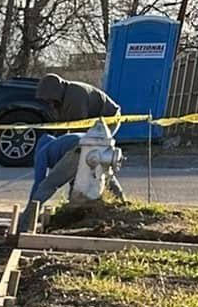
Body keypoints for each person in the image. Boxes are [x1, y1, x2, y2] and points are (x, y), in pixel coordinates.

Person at [29, 73, 127, 207]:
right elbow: (63, 128)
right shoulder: (61, 100)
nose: (48, 103)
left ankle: (115, 198)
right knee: (82, 159)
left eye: (49, 99)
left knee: (94, 159)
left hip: (108, 120)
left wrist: (68, 161)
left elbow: (79, 128)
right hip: (88, 128)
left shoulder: (75, 97)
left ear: (55, 92)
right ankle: (78, 199)